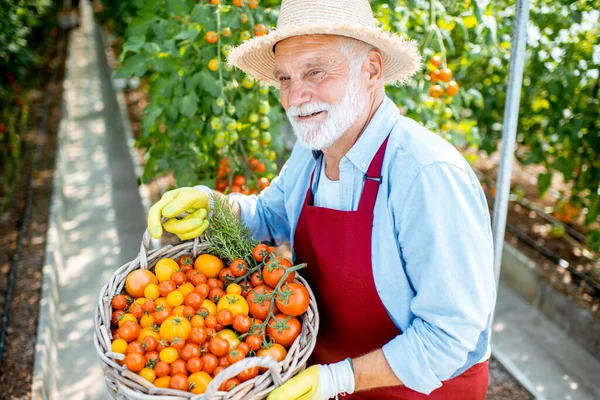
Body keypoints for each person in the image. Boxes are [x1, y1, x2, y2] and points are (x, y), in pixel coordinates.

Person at [147, 0, 496, 398]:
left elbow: (451, 335)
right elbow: (269, 215)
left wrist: (338, 379)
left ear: (372, 70)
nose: (296, 96)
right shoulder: (314, 151)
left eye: (315, 71)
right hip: (324, 375)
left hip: (419, 389)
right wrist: (213, 206)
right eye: (284, 79)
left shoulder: (426, 175)